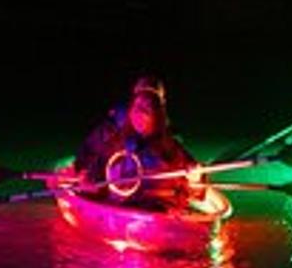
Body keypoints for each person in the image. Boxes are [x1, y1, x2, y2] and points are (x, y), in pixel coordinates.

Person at [71, 76, 201, 208]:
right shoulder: (115, 141)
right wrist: (86, 177)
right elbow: (94, 175)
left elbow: (194, 190)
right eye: (137, 107)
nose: (140, 114)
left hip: (160, 213)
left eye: (148, 108)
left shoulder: (170, 148)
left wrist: (195, 179)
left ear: (158, 115)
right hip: (121, 212)